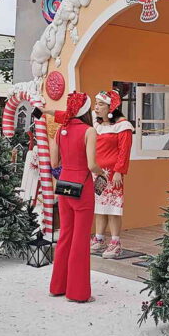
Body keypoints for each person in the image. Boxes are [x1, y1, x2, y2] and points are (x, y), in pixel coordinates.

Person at [48, 92, 103, 303]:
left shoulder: (60, 130)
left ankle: (57, 286)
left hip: (64, 184)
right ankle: (78, 292)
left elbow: (54, 163)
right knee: (80, 239)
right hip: (82, 186)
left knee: (65, 235)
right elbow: (91, 164)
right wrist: (103, 173)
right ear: (86, 110)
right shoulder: (89, 131)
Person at [91, 90, 133, 259]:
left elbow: (124, 151)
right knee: (100, 207)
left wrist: (118, 172)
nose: (96, 107)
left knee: (113, 208)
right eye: (96, 103)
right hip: (97, 173)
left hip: (112, 174)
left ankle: (115, 243)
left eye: (101, 104)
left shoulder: (123, 126)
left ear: (111, 107)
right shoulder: (97, 124)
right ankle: (99, 238)